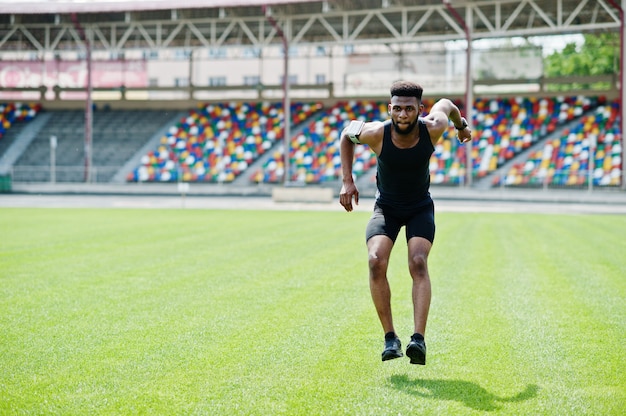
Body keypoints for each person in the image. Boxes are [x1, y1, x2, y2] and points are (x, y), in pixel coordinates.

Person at [339, 80, 472, 365]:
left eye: (409, 109)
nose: (402, 115)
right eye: (396, 109)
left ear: (419, 110)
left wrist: (461, 127)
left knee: (418, 262)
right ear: (389, 109)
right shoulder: (376, 133)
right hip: (386, 207)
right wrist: (347, 181)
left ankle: (418, 340)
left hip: (419, 207)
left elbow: (447, 105)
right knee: (375, 260)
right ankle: (390, 339)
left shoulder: (433, 127)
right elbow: (346, 133)